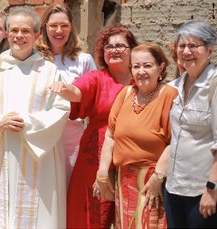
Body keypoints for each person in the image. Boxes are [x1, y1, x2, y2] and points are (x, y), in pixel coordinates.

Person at [0, 6, 70, 228]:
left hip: (36, 154)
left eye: (25, 31)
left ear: (36, 35)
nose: (19, 36)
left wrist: (28, 123)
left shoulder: (49, 71)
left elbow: (61, 108)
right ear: (7, 33)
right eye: (14, 30)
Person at [49, 25, 138, 228]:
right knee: (92, 215)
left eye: (120, 46)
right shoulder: (97, 77)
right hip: (96, 156)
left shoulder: (140, 78)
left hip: (132, 156)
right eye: (108, 46)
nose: (113, 50)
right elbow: (77, 91)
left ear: (132, 49)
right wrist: (64, 89)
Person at [94, 44, 177, 228]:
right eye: (136, 66)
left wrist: (158, 178)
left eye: (147, 66)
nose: (141, 71)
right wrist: (102, 173)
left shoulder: (169, 95)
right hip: (123, 181)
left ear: (161, 67)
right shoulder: (126, 94)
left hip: (153, 183)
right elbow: (110, 136)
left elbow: (175, 143)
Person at [35, 3, 96, 185]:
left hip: (72, 136)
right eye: (53, 25)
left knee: (70, 188)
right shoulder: (34, 59)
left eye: (64, 25)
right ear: (45, 27)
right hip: (40, 133)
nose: (59, 31)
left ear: (71, 27)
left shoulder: (84, 60)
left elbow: (92, 99)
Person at [164, 21, 217, 227]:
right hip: (174, 188)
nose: (187, 51)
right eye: (182, 46)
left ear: (210, 51)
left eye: (194, 46)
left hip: (202, 190)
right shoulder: (174, 87)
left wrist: (212, 190)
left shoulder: (213, 85)